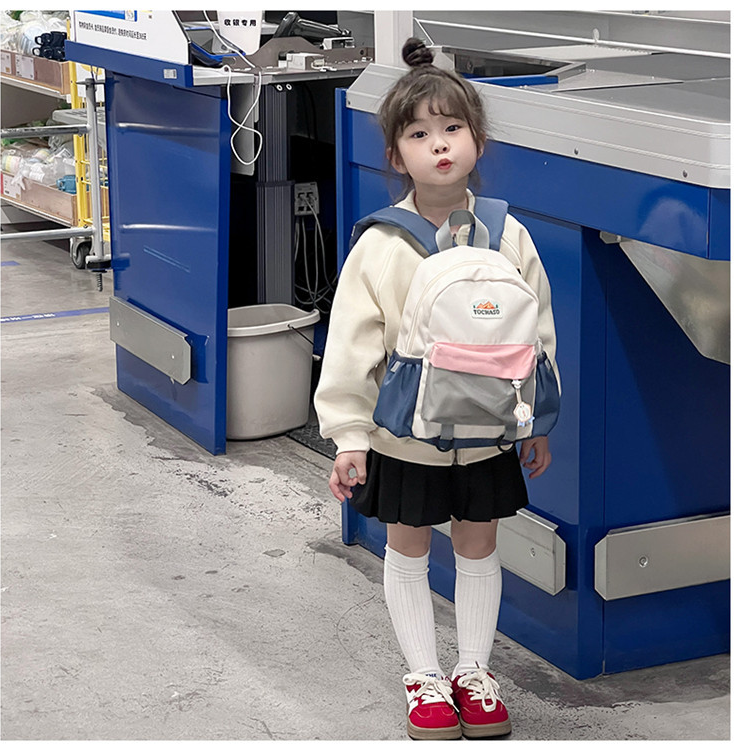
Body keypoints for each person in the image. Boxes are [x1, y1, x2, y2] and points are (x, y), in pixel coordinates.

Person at [314, 37, 559, 741]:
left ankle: (475, 672)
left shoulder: (509, 236)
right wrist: (349, 437)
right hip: (404, 437)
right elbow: (352, 344)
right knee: (410, 546)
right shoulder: (380, 244)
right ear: (397, 156)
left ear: (478, 140)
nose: (440, 145)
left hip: (488, 434)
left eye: (452, 128)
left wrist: (537, 420)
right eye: (419, 135)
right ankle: (425, 676)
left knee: (480, 546)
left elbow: (538, 333)